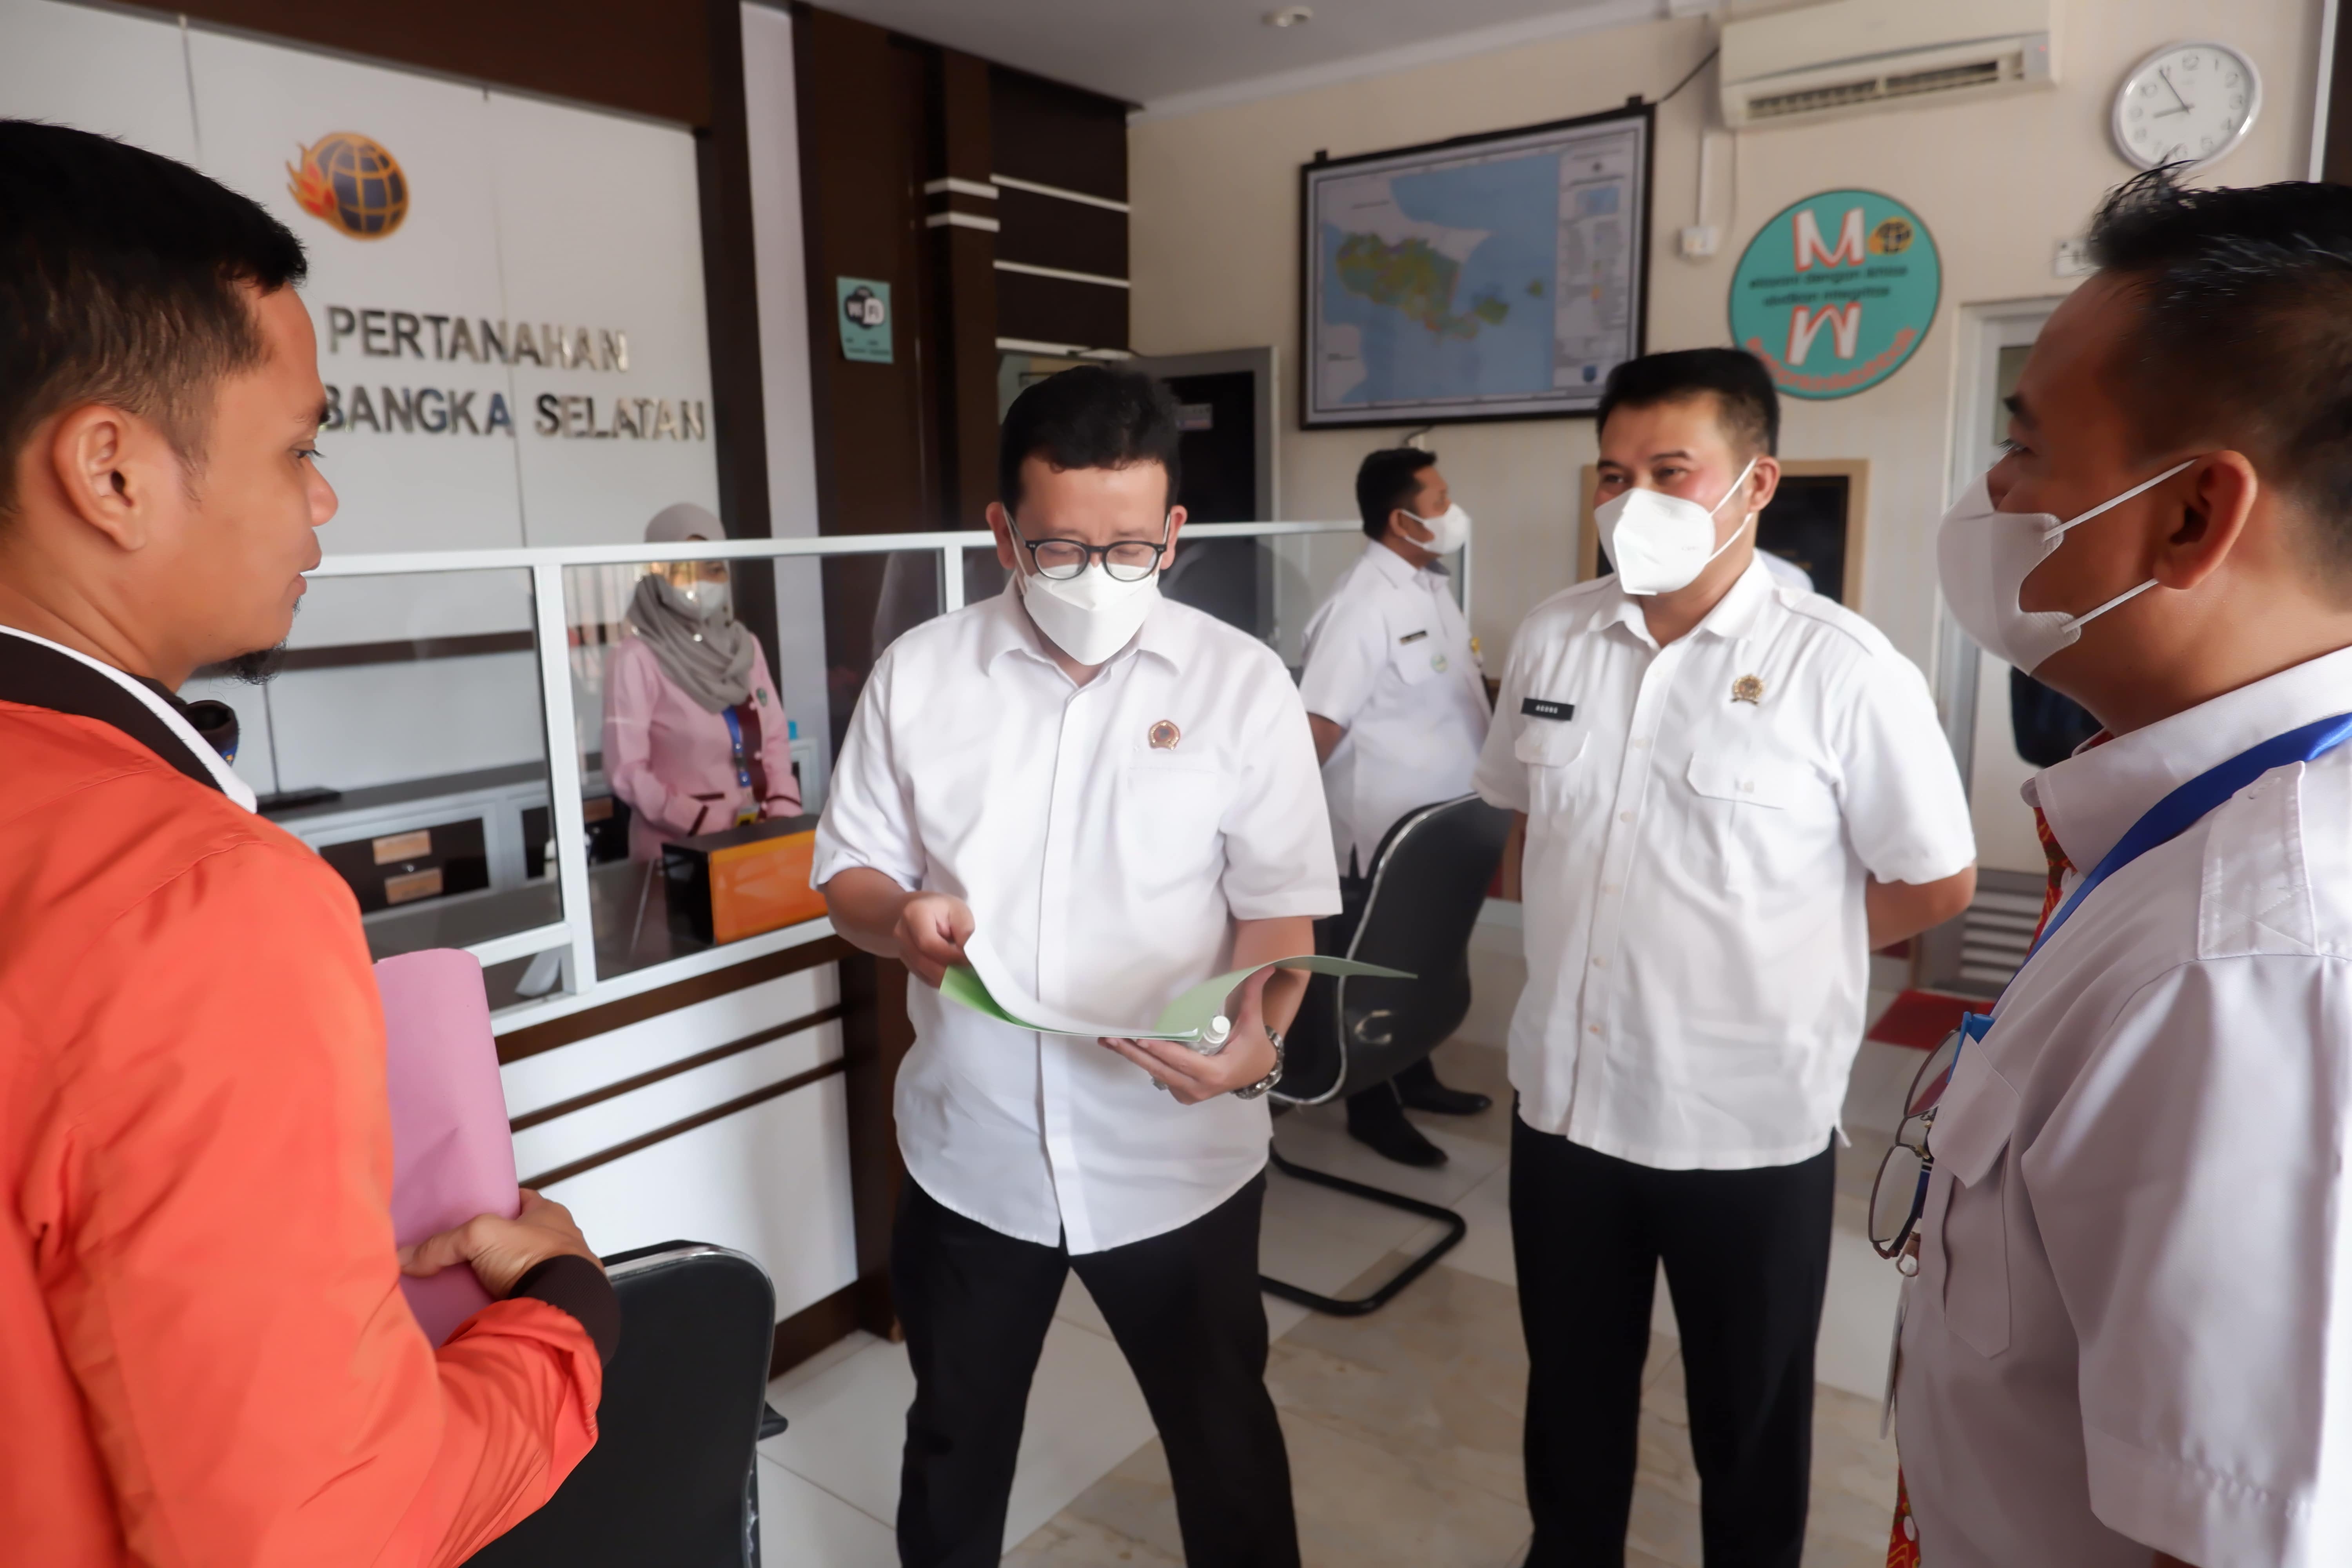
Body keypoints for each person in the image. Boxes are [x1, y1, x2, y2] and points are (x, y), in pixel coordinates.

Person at [0, 121, 614, 1565]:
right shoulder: (188, 898)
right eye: (298, 446)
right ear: (111, 471)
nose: (321, 497)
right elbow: (322, 1529)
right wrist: (563, 1320)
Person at [1893, 171, 2352, 1568]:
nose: (1993, 489)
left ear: (2191, 515)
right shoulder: (2187, 842)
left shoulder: (2253, 961)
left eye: (2026, 443)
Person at [814, 366, 1335, 1568]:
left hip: (1175, 1156)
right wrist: (900, 916)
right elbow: (849, 876)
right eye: (1059, 550)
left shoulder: (1239, 683)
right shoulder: (920, 675)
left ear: (1173, 534)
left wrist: (1258, 1040)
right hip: (974, 1154)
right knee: (954, 1440)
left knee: (1224, 1444)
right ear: (1003, 533)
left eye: (1131, 549)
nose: (1098, 578)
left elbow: (1280, 910)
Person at [1474, 347, 1976, 1567]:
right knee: (1569, 1398)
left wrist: (1777, 940)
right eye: (1613, 474)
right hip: (1565, 1105)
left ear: (1755, 483)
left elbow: (1934, 880)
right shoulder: (1554, 636)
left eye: (1670, 471)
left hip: (1742, 1123)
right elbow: (1520, 825)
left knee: (1746, 1423)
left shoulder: (1842, 667)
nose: (1631, 500)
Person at [1297, 446, 1495, 1166]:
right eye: (1439, 502)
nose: (1452, 512)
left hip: (1441, 828)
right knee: (1375, 968)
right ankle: (1370, 1106)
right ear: (1401, 520)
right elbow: (1318, 725)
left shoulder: (1429, 586)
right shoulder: (1362, 605)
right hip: (1380, 836)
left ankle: (1415, 1075)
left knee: (1426, 959)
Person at [603, 501, 800, 860]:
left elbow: (774, 738)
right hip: (680, 852)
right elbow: (626, 771)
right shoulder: (636, 657)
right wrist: (706, 824)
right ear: (657, 573)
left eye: (713, 569)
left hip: (758, 841)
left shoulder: (745, 647)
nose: (701, 582)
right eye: (684, 570)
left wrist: (783, 814)